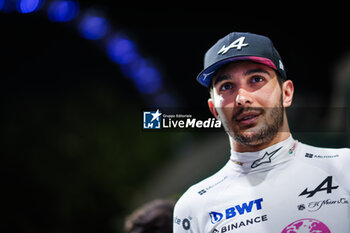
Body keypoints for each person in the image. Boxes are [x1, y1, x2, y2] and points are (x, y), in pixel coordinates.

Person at [173, 32, 350, 233]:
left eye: (256, 79)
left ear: (287, 93)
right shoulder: (194, 206)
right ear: (214, 109)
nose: (241, 97)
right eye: (227, 86)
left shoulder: (344, 166)